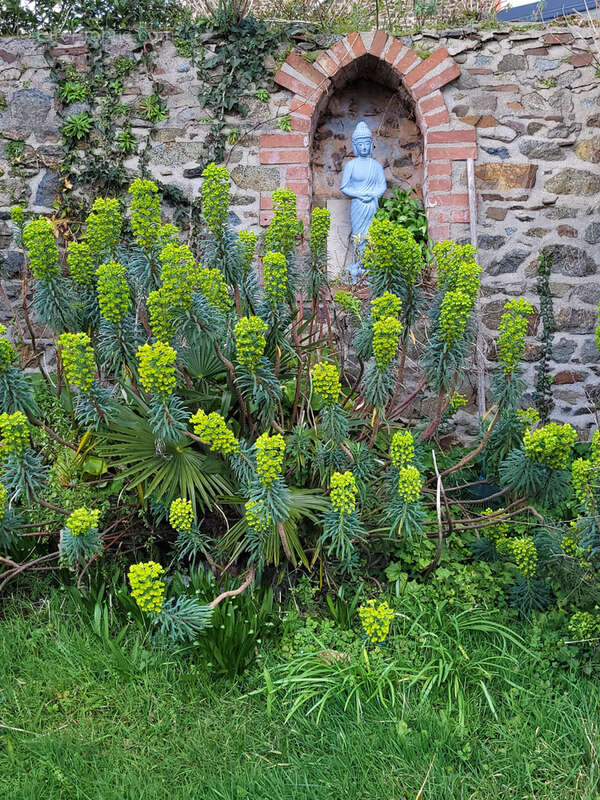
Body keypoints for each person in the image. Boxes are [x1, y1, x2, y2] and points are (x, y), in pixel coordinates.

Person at [340, 120, 387, 281]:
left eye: (367, 144)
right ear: (355, 145)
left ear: (371, 144)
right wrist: (360, 195)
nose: (364, 147)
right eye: (360, 144)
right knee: (358, 235)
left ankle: (370, 265)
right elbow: (344, 187)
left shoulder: (376, 166)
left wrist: (373, 195)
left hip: (372, 205)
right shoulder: (351, 165)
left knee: (371, 235)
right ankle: (358, 263)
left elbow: (382, 186)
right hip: (358, 205)